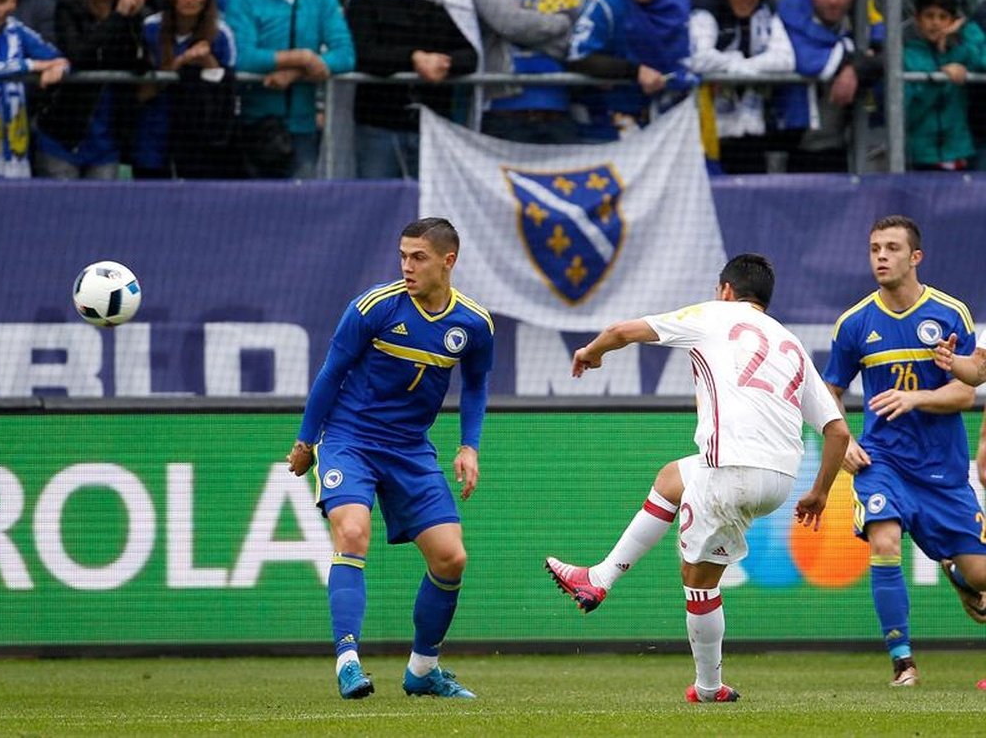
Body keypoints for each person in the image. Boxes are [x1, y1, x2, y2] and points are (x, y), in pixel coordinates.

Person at [545, 253, 850, 703]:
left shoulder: (713, 314)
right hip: (780, 481)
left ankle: (709, 688)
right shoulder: (791, 343)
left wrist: (592, 352)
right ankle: (601, 576)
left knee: (699, 581)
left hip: (731, 470)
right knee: (672, 478)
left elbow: (621, 332)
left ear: (726, 290)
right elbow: (838, 432)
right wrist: (819, 493)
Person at [285, 217, 493, 700]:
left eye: (418, 257)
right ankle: (348, 662)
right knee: (353, 532)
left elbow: (478, 384)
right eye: (402, 256)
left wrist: (469, 446)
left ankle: (422, 670)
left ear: (448, 261)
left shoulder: (474, 324)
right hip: (349, 438)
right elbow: (331, 372)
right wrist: (305, 441)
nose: (407, 266)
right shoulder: (374, 307)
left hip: (410, 447)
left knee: (451, 558)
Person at [823, 214, 986, 687]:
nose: (881, 257)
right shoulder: (854, 323)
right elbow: (829, 392)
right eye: (875, 248)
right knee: (885, 542)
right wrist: (846, 440)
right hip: (882, 461)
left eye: (892, 248)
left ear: (915, 257)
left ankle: (959, 571)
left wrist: (916, 397)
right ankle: (903, 663)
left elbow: (965, 393)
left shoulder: (950, 313)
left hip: (942, 469)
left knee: (981, 575)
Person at [347, 0, 480, 178]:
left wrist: (446, 63)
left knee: (432, 215)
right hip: (378, 126)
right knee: (378, 205)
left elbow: (472, 53)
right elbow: (362, 53)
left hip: (436, 126)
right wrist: (414, 59)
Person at [227, 0, 354, 179]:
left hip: (303, 127)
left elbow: (345, 55)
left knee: (303, 209)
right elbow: (242, 57)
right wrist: (302, 58)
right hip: (255, 124)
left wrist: (295, 72)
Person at [34, 0, 148, 179]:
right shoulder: (68, 10)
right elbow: (79, 55)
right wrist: (118, 16)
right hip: (64, 134)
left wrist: (133, 21)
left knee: (101, 213)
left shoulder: (131, 16)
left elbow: (140, 66)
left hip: (107, 139)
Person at [567, 0, 695, 142]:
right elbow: (578, 58)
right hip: (607, 117)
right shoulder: (605, 4)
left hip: (666, 113)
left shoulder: (679, 3)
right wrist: (635, 71)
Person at [467, 0, 579, 144]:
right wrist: (561, 22)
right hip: (504, 108)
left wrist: (528, 30)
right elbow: (508, 22)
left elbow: (576, 39)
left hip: (558, 109)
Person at [687, 0, 794, 174]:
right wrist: (736, 63)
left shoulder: (767, 9)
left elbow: (785, 59)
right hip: (704, 131)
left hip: (751, 130)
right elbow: (698, 58)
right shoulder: (705, 8)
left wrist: (743, 67)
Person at [775, 0, 884, 173]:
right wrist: (854, 60)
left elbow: (887, 52)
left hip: (840, 145)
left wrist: (855, 69)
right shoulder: (790, 14)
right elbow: (805, 59)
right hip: (792, 147)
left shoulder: (862, 17)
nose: (833, 0)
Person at [133, 0, 237, 178]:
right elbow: (139, 93)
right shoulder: (149, 28)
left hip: (199, 142)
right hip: (152, 138)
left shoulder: (222, 34)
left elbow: (227, 96)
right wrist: (177, 67)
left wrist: (209, 63)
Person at [0, 0, 67, 177]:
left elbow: (56, 57)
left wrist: (58, 68)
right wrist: (31, 66)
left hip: (14, 134)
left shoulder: (18, 30)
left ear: (13, 2)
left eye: (1, 1)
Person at [904, 0, 986, 171]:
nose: (936, 23)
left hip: (960, 155)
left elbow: (983, 60)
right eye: (929, 16)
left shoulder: (962, 53)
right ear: (917, 19)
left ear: (952, 21)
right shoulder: (908, 56)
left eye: (943, 17)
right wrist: (939, 81)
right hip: (922, 157)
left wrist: (966, 30)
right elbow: (910, 113)